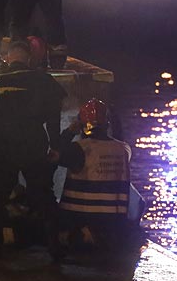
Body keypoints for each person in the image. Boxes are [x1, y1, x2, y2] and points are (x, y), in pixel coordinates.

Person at [0, 40, 67, 259]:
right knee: (43, 194)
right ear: (29, 58)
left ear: (8, 57)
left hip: (5, 146)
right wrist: (56, 146)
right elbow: (53, 119)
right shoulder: (45, 82)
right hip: (34, 143)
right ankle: (54, 245)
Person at [56, 98, 132, 250]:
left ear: (82, 125)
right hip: (114, 224)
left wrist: (70, 131)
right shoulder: (124, 149)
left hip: (81, 222)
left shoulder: (79, 149)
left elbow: (55, 153)